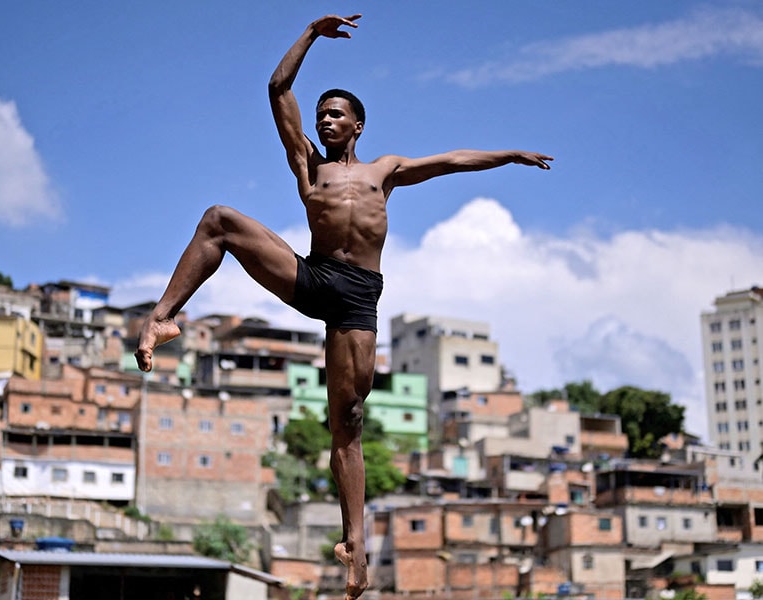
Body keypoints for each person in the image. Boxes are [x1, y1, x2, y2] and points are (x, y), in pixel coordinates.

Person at [135, 14, 552, 600]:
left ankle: (354, 549)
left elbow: (453, 160)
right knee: (219, 220)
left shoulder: (386, 171)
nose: (326, 120)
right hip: (313, 276)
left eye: (336, 114)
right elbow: (278, 90)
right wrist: (309, 33)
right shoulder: (307, 163)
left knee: (348, 422)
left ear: (357, 124)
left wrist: (507, 155)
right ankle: (161, 317)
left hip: (357, 298)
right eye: (322, 113)